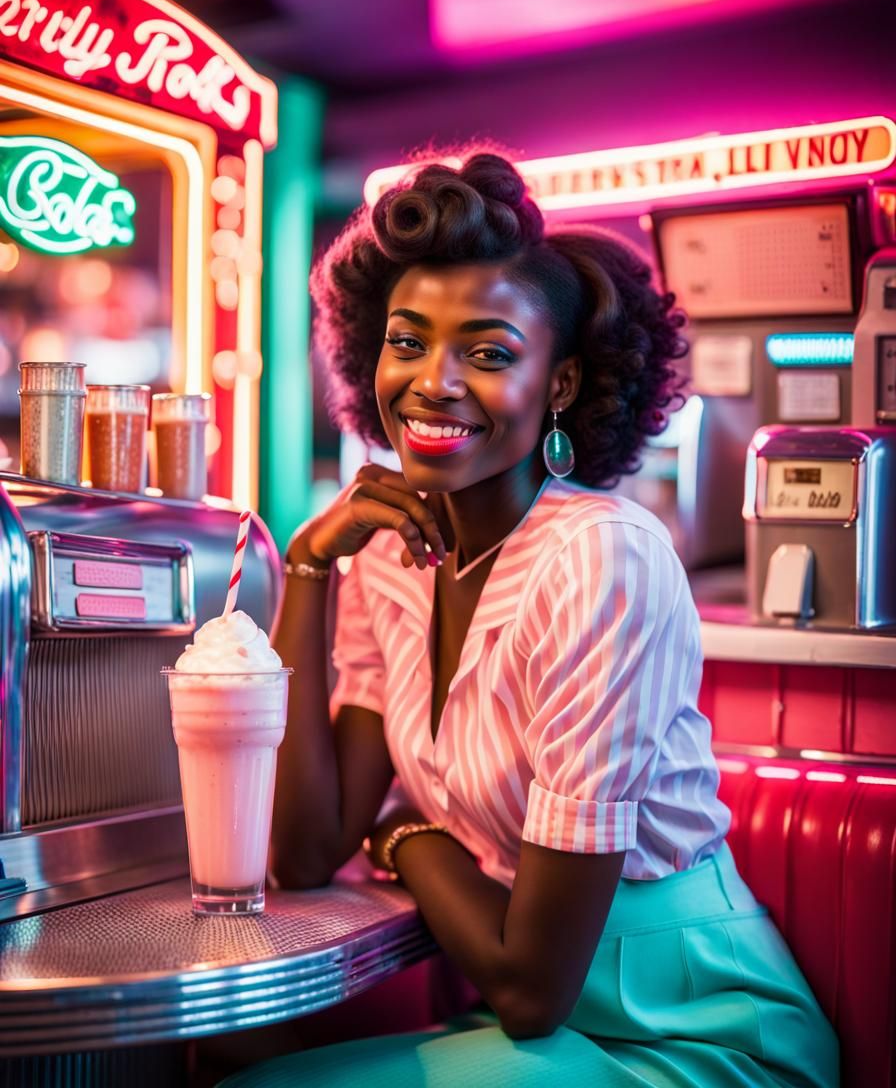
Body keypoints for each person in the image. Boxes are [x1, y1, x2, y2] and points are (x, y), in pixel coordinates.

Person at [221, 153, 838, 1088]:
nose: (433, 382)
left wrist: (408, 836)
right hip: (540, 1030)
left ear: (560, 383)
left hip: (692, 1035)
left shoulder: (601, 558)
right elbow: (306, 852)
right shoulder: (388, 559)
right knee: (237, 1062)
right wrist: (309, 562)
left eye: (488, 353)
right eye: (407, 341)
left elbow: (531, 986)